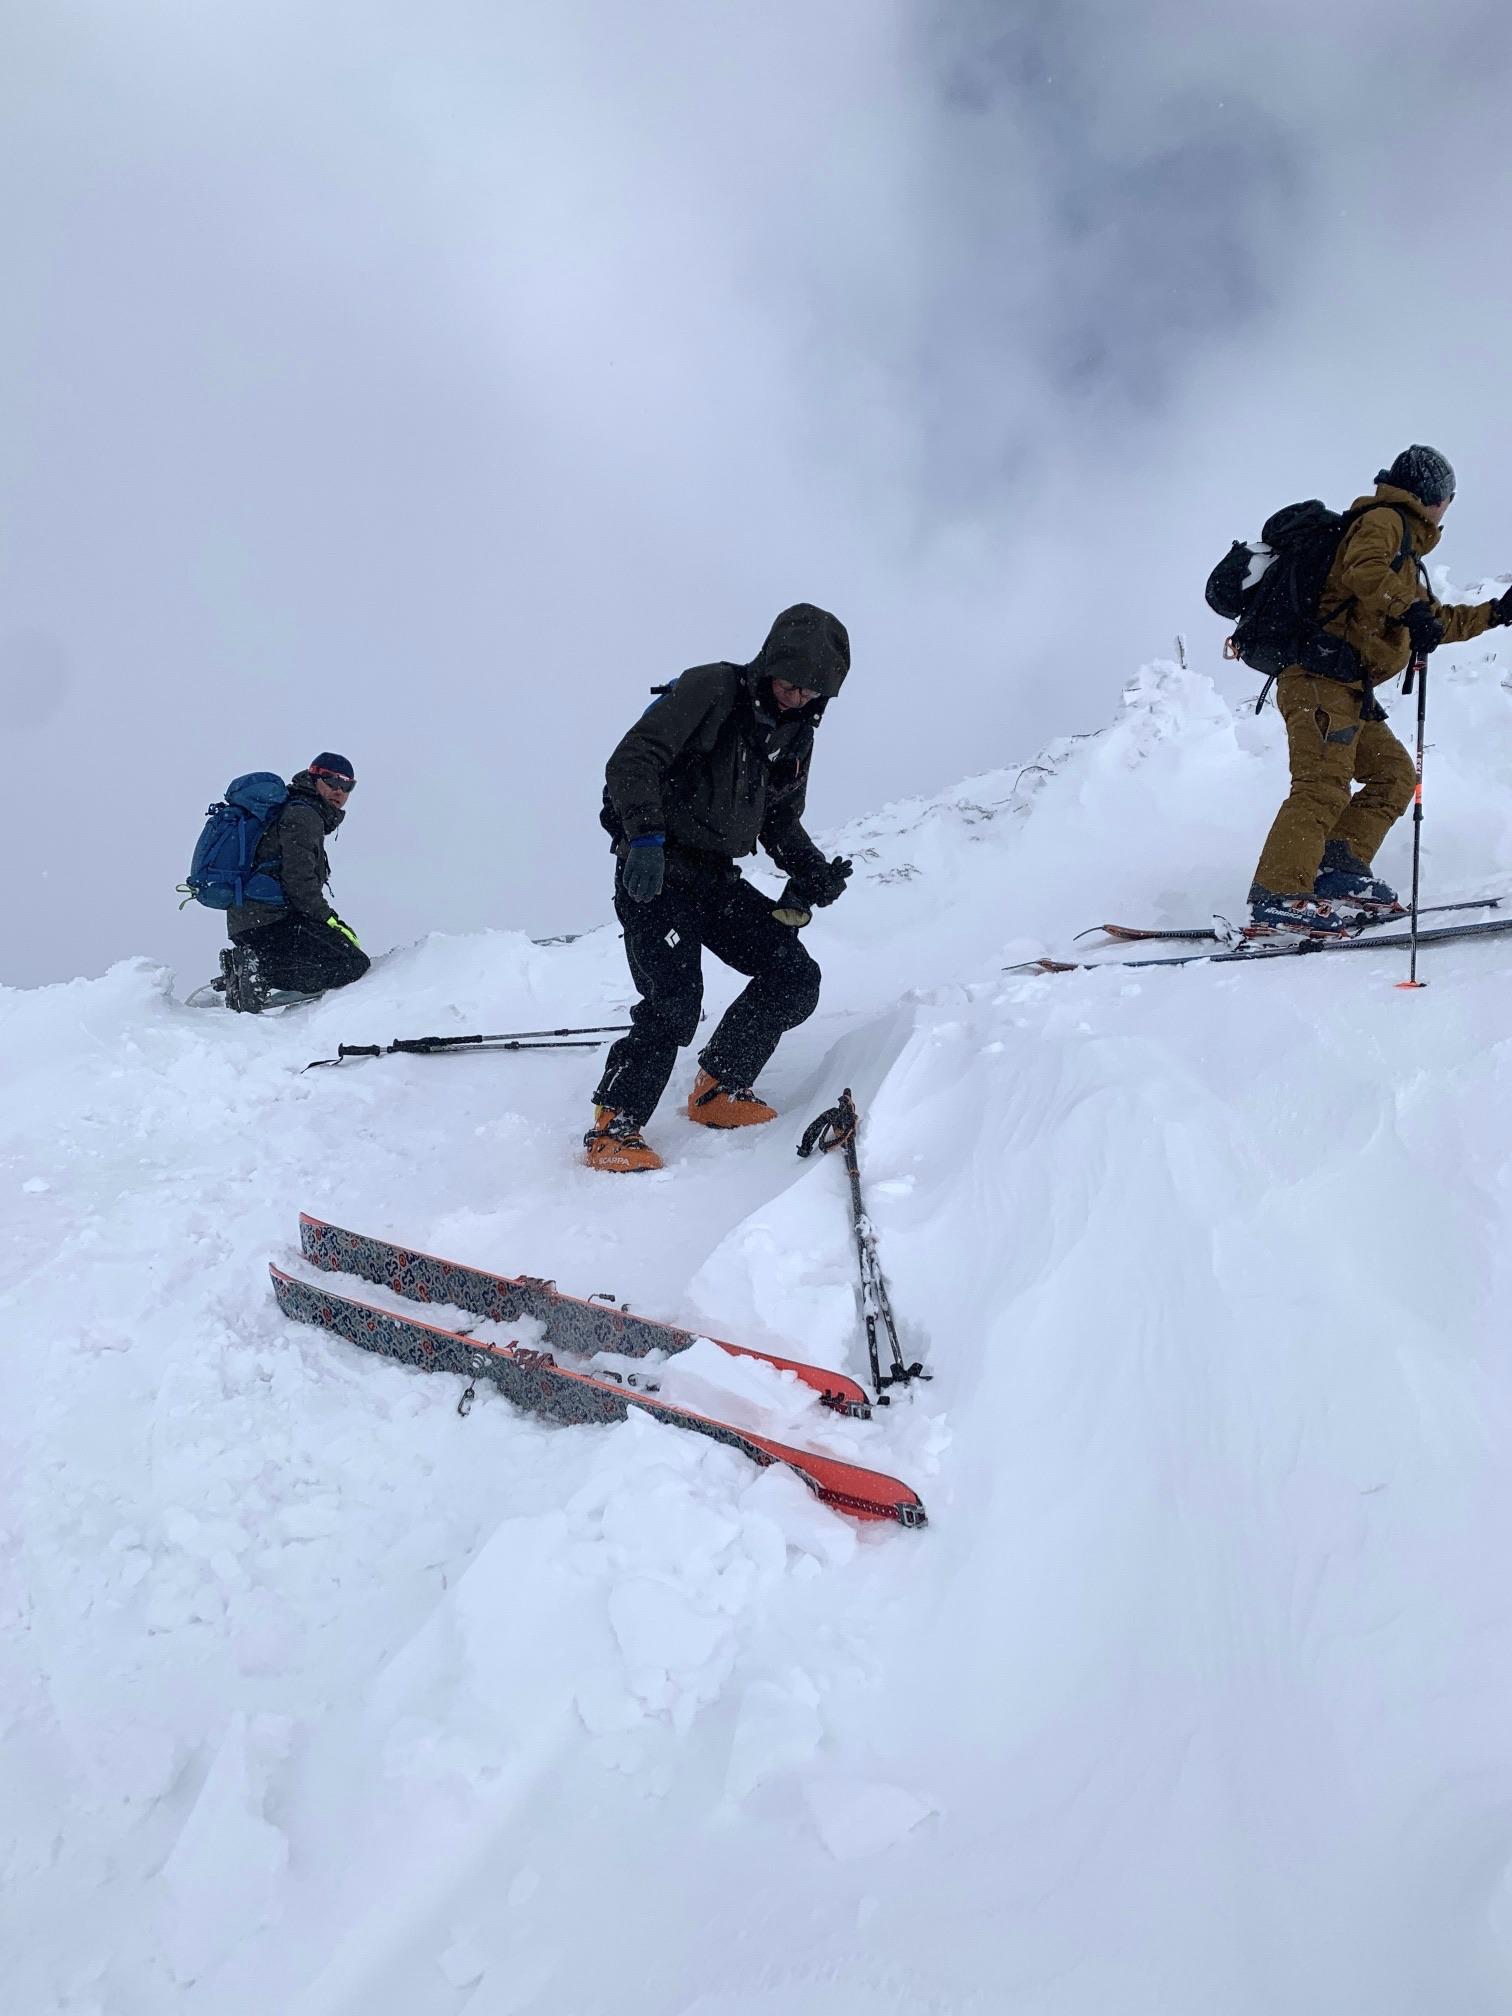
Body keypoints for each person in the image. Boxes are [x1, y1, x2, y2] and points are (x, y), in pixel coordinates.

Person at [585, 604, 853, 1173]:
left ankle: (718, 1088)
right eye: (791, 683)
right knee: (673, 1002)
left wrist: (812, 871)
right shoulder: (712, 688)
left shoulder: (795, 734)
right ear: (769, 664)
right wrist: (646, 837)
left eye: (812, 691)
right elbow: (633, 759)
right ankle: (615, 1124)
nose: (798, 697)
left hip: (715, 878)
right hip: (655, 869)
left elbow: (779, 820)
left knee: (792, 975)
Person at [1248, 446, 1512, 935]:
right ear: (1434, 496)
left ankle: (1338, 868)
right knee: (1322, 785)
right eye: (1449, 499)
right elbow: (1363, 570)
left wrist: (1496, 613)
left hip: (1350, 691)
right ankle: (1280, 892)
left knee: (1393, 775)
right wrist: (1406, 608)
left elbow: (1434, 620)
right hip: (1318, 681)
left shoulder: (1406, 553)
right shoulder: (1385, 520)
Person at [220, 753, 370, 1011]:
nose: (339, 790)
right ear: (313, 778)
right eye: (331, 780)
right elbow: (299, 882)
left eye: (347, 785)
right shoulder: (303, 815)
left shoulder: (300, 810)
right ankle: (256, 971)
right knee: (352, 964)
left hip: (254, 919)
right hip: (271, 919)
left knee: (335, 953)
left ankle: (249, 968)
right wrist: (328, 919)